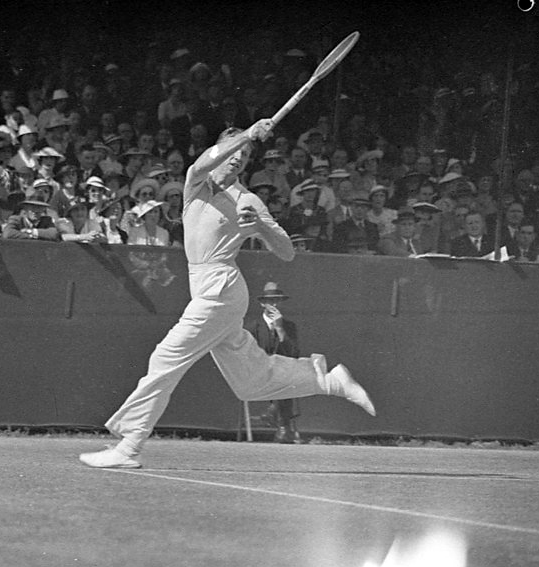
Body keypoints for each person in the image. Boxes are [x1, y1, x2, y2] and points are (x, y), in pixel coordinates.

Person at [80, 119, 376, 469]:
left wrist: (262, 226)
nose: (239, 158)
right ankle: (326, 379)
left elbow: (286, 252)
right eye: (235, 150)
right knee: (249, 383)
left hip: (222, 287)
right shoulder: (196, 183)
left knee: (165, 359)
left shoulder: (248, 199)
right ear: (220, 151)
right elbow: (201, 163)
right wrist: (246, 135)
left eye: (246, 154)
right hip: (205, 288)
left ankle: (129, 447)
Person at [245, 282, 302, 443]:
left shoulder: (289, 326)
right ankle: (283, 424)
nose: (274, 305)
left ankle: (275, 415)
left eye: (277, 301)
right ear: (263, 303)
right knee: (283, 378)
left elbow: (293, 353)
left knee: (287, 377)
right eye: (270, 301)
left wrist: (280, 329)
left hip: (282, 374)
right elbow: (249, 354)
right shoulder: (252, 327)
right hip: (258, 373)